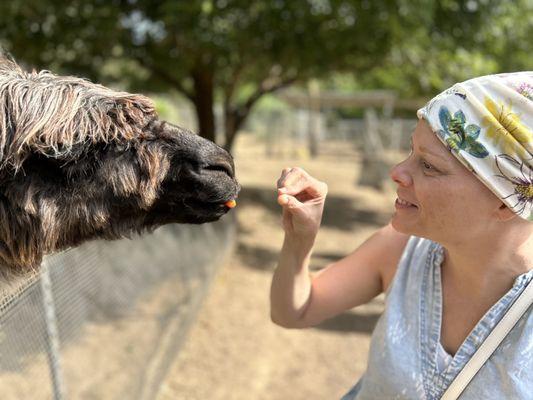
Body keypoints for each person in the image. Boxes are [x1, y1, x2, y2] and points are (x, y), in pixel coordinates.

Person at [270, 72, 533, 399]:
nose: (397, 172)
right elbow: (295, 310)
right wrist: (299, 240)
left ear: (505, 200)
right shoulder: (402, 251)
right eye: (411, 152)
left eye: (428, 166)